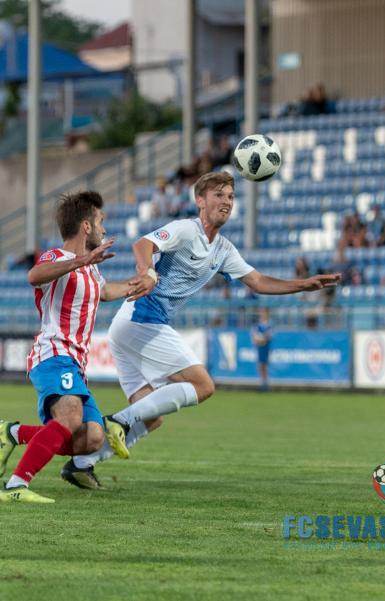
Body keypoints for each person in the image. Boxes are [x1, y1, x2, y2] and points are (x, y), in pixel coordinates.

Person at [64, 172, 340, 485]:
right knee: (203, 385)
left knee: (151, 417)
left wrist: (303, 285)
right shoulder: (186, 229)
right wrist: (147, 271)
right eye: (218, 195)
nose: (226, 202)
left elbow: (258, 281)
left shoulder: (223, 249)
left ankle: (82, 464)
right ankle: (117, 421)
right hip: (142, 320)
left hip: (128, 327)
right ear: (200, 201)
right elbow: (143, 244)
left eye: (230, 196)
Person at [0, 191, 143, 501]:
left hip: (75, 362)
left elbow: (106, 292)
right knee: (71, 419)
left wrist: (142, 283)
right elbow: (34, 276)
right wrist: (80, 260)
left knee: (92, 437)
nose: (104, 228)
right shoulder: (57, 257)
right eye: (100, 221)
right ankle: (15, 486)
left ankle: (13, 433)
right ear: (86, 226)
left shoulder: (92, 268)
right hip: (53, 354)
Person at [253, 309, 273, 392]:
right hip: (260, 346)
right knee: (260, 365)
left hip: (265, 346)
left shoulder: (269, 324)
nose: (261, 314)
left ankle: (265, 384)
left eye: (263, 313)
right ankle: (262, 383)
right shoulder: (258, 324)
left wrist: (262, 339)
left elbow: (269, 335)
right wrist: (256, 339)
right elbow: (254, 334)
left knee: (264, 365)